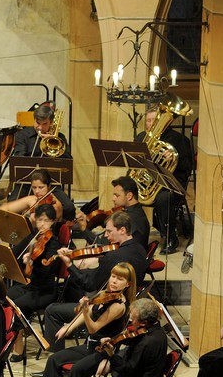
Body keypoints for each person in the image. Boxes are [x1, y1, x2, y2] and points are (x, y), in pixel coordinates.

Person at [36, 262, 137, 377]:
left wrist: (84, 310)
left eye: (119, 279)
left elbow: (93, 328)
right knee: (55, 359)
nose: (114, 281)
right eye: (113, 276)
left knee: (77, 370)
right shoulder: (105, 294)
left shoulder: (119, 305)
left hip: (103, 351)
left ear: (128, 284)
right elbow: (87, 313)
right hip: (90, 346)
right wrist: (67, 328)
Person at [46, 210, 147, 334]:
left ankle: (57, 348)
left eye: (109, 231)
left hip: (106, 309)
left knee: (52, 310)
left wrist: (69, 265)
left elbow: (89, 285)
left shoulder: (114, 257)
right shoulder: (140, 249)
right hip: (126, 304)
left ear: (122, 230)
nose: (105, 235)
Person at [140, 104, 195, 253]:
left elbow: (187, 167)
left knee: (163, 199)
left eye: (154, 120)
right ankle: (137, 235)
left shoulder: (179, 140)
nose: (151, 124)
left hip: (171, 185)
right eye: (148, 120)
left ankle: (171, 237)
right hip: (148, 184)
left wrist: (174, 159)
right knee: (127, 189)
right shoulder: (141, 138)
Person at [75, 176, 152, 250]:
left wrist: (84, 229)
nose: (113, 199)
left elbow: (102, 246)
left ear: (129, 196)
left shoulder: (128, 219)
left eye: (117, 195)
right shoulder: (137, 212)